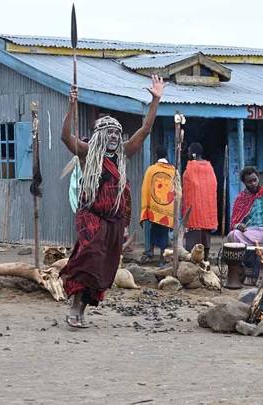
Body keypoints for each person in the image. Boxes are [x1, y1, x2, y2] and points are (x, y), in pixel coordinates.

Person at [60, 75, 167, 328]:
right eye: (109, 132)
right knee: (88, 257)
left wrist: (156, 100)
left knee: (103, 267)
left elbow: (146, 130)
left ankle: (82, 309)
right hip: (90, 215)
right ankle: (74, 305)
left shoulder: (123, 154)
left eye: (117, 133)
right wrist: (70, 105)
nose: (114, 137)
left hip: (114, 220)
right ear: (99, 135)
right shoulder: (87, 154)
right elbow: (66, 136)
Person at [140, 146, 177, 266]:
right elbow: (177, 191)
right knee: (164, 235)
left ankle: (151, 250)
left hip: (154, 209)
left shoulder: (151, 170)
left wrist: (148, 205)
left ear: (156, 156)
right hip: (167, 209)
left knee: (153, 230)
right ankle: (161, 259)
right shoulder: (173, 171)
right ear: (166, 156)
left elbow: (145, 187)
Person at [182, 142, 218, 261]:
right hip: (207, 208)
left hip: (194, 209)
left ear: (192, 153)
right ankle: (206, 261)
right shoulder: (209, 167)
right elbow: (213, 185)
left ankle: (193, 261)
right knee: (205, 236)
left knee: (193, 239)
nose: (187, 154)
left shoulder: (191, 167)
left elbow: (188, 186)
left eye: (188, 151)